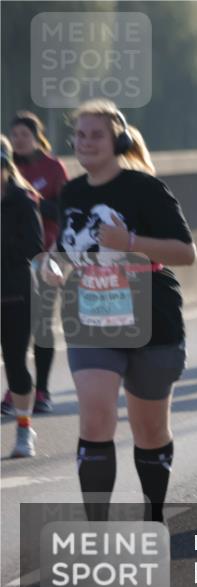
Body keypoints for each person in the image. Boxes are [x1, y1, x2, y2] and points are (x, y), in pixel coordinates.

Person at [41, 99, 196, 522]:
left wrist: (129, 243)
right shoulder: (71, 192)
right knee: (94, 417)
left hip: (152, 316)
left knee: (150, 431)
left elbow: (186, 253)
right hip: (93, 317)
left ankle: (153, 515)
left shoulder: (145, 189)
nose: (86, 142)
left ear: (119, 141)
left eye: (97, 135)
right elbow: (67, 248)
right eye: (80, 135)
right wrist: (54, 265)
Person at [2, 112, 69, 415]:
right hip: (13, 264)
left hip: (46, 254)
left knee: (41, 322)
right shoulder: (7, 165)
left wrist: (36, 202)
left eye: (24, 135)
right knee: (14, 331)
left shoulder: (53, 168)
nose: (19, 140)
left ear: (37, 137)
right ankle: (17, 387)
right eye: (14, 134)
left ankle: (41, 389)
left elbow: (66, 210)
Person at [1, 138, 44, 457]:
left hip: (15, 293)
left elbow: (34, 246)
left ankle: (24, 429)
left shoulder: (23, 201)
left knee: (15, 363)